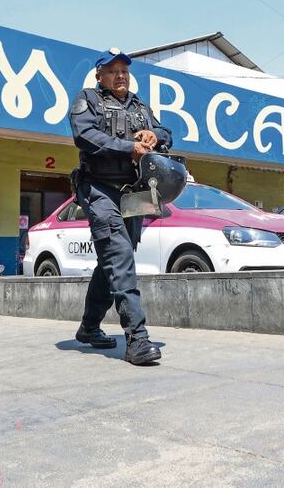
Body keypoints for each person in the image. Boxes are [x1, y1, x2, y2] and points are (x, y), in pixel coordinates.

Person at [68, 47, 171, 365]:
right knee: (120, 256)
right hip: (100, 189)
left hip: (133, 194)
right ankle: (137, 339)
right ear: (99, 76)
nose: (120, 75)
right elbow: (85, 135)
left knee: (112, 261)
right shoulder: (88, 99)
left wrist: (153, 135)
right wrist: (129, 148)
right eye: (112, 71)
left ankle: (89, 328)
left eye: (124, 70)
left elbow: (167, 133)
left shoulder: (140, 106)